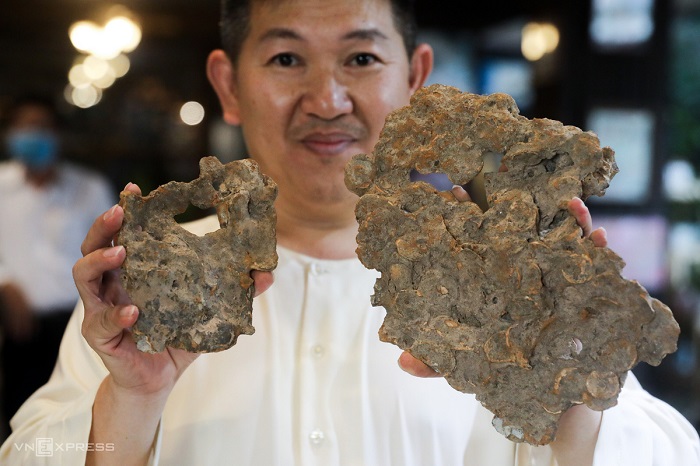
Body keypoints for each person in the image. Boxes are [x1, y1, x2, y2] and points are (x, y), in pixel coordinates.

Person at [2, 0, 700, 464]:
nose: (328, 99)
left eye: (361, 58)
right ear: (229, 85)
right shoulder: (156, 273)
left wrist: (571, 388)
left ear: (415, 78)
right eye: (286, 59)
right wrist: (132, 399)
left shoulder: (506, 273)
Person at [0, 95, 115, 437]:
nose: (33, 134)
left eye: (41, 126)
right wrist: (4, 282)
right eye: (25, 126)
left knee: (79, 416)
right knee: (21, 418)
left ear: (57, 134)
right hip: (20, 324)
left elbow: (113, 250)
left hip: (78, 322)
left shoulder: (89, 188)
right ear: (10, 133)